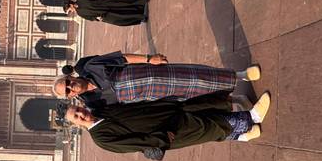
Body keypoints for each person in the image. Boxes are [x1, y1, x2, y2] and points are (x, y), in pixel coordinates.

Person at [63, 92, 271, 157]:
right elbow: (133, 144)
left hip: (168, 111)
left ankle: (242, 135)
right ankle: (252, 117)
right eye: (77, 117)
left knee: (206, 109)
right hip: (169, 131)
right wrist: (160, 139)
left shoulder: (101, 111)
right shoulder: (101, 138)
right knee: (208, 126)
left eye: (78, 110)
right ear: (76, 125)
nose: (81, 114)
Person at [53, 50, 261, 110]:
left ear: (70, 76)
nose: (71, 87)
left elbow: (122, 58)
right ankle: (236, 99)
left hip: (154, 74)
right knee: (196, 98)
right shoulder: (93, 103)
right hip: (155, 96)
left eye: (68, 83)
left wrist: (149, 59)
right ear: (71, 96)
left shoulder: (91, 67)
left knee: (197, 75)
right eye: (68, 91)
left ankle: (241, 75)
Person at [65, 0, 148, 26]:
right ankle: (140, 17)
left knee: (124, 3)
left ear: (70, 5)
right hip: (104, 15)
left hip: (106, 3)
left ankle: (143, 1)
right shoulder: (80, 13)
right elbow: (90, 18)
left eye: (69, 10)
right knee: (121, 19)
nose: (71, 12)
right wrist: (97, 18)